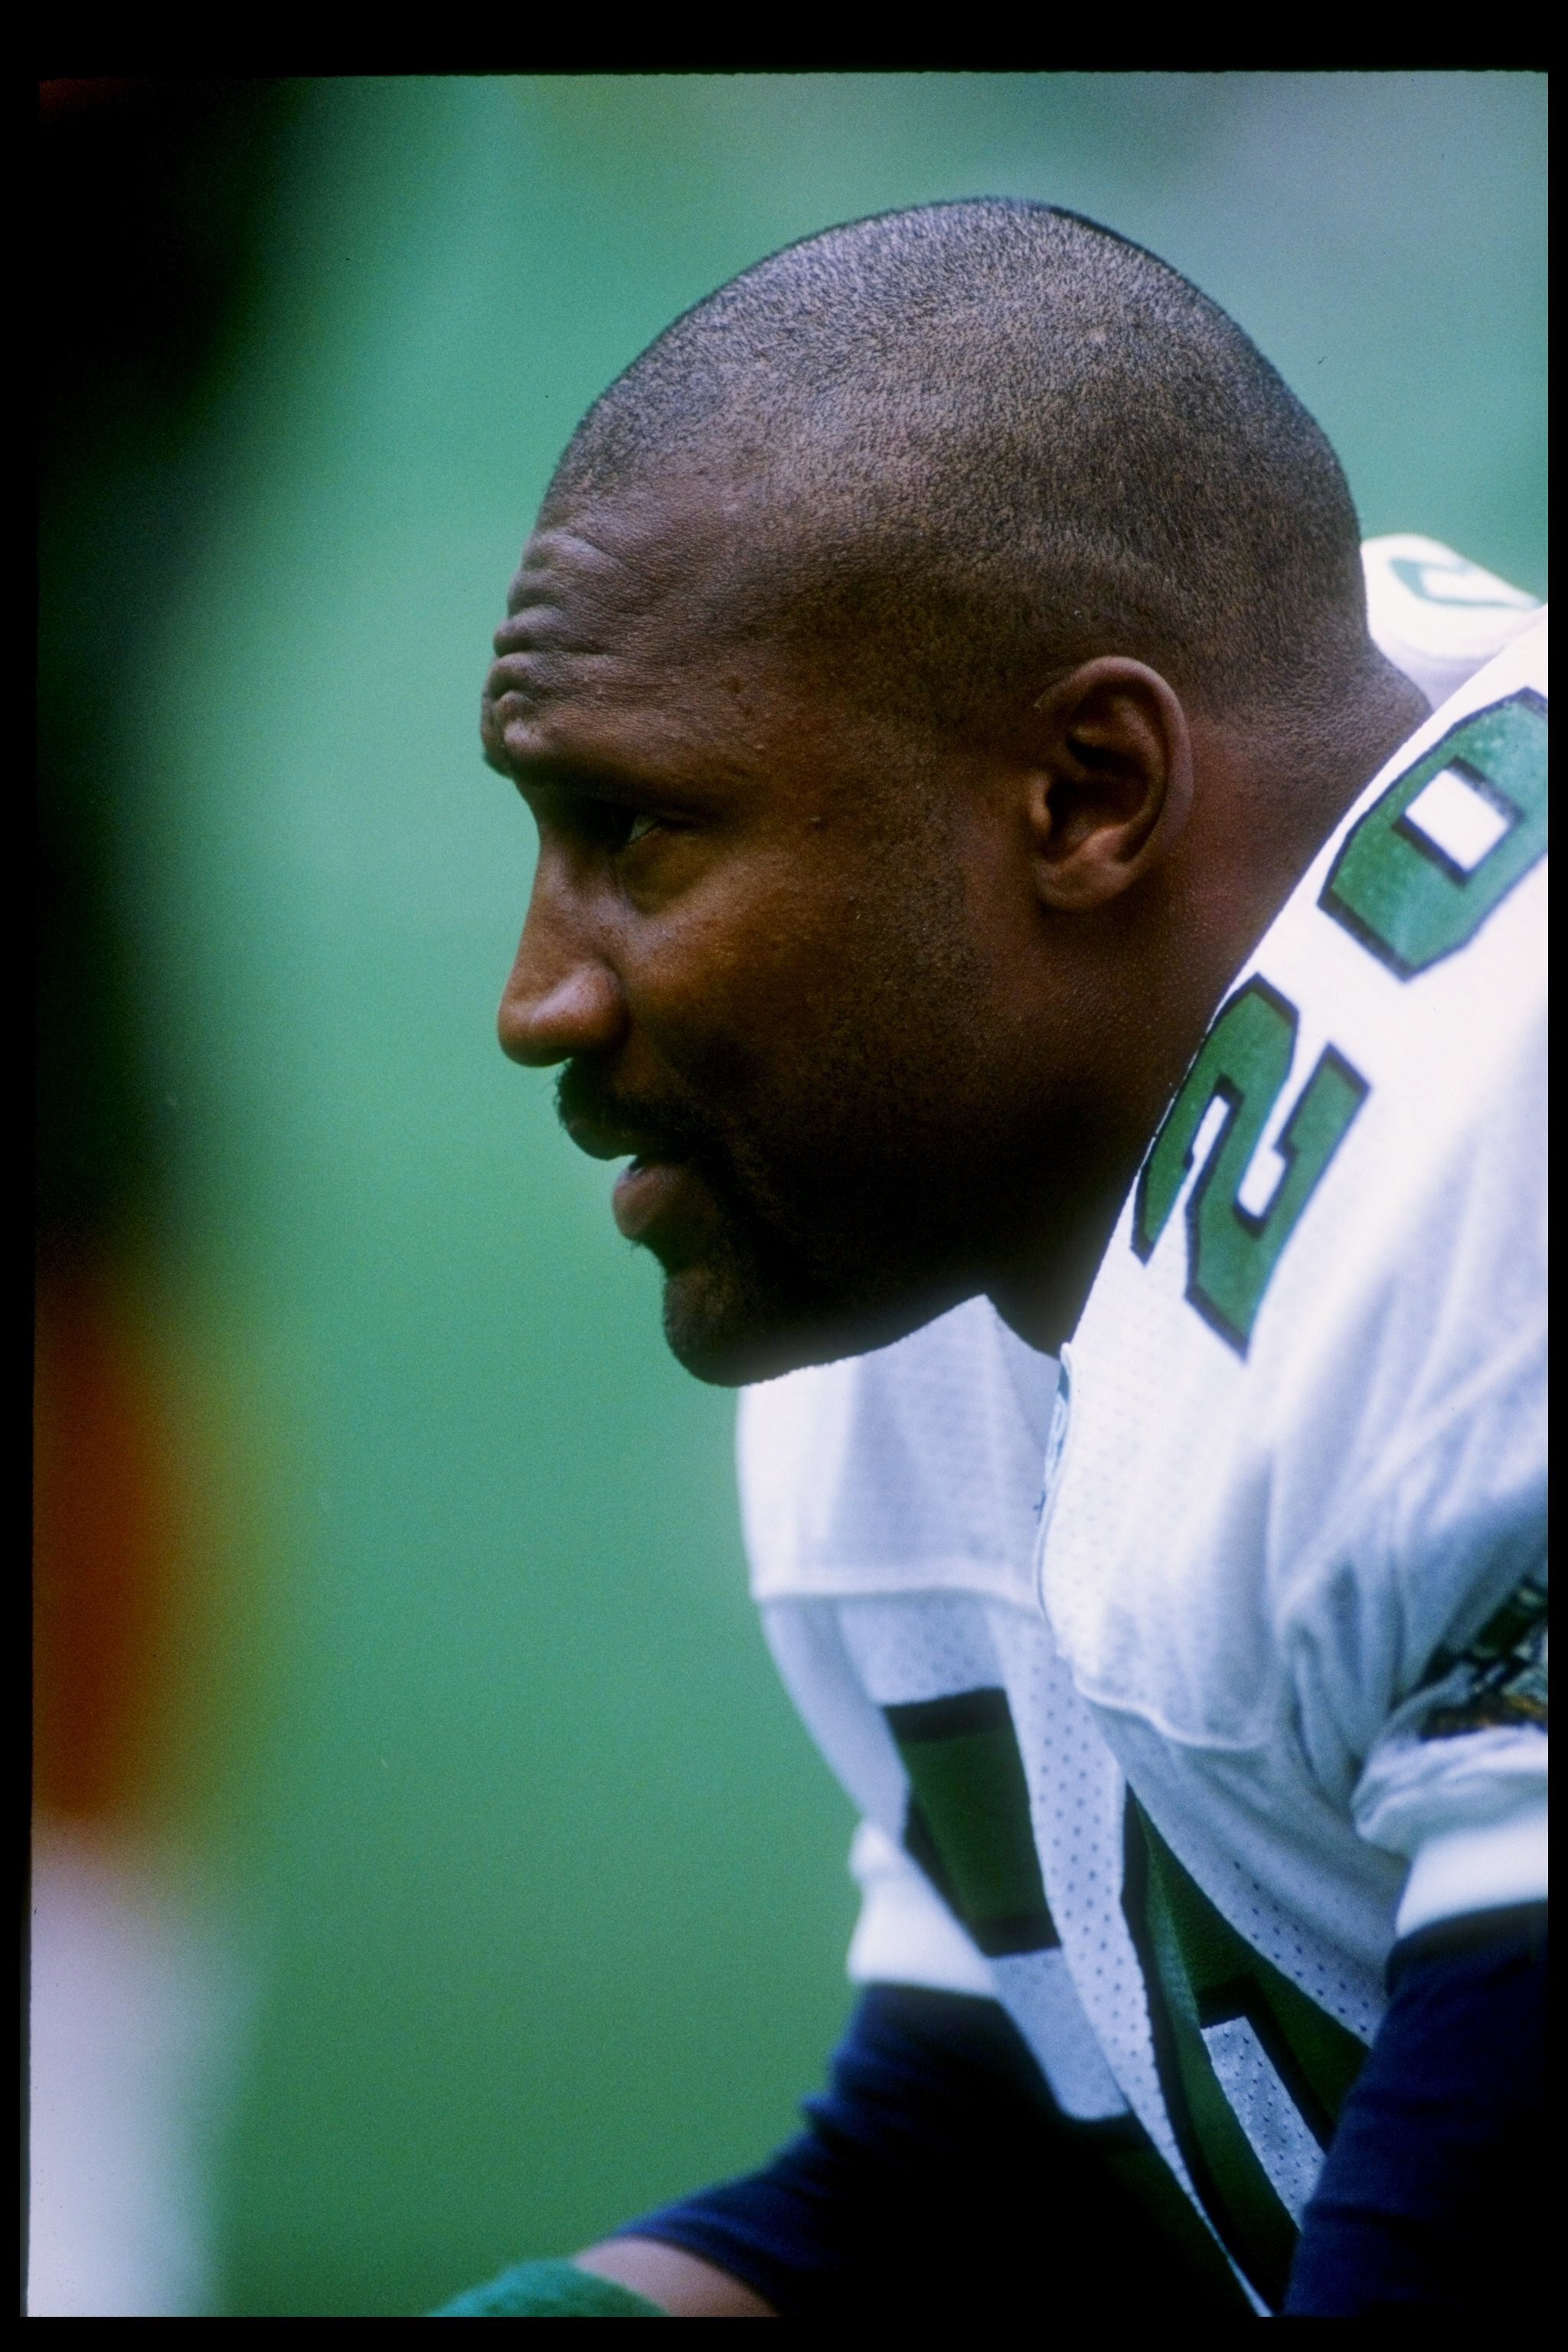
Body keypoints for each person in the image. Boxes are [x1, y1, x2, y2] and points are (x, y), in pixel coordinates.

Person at [436, 202, 1545, 2317]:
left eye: (640, 832)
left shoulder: (1485, 1190)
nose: (538, 998)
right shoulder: (957, 1221)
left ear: (1087, 791)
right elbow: (1002, 2176)